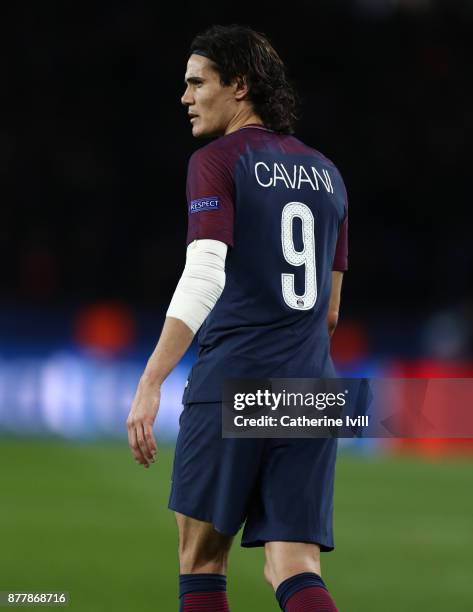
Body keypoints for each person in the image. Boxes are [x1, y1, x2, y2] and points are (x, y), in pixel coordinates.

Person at [127, 24, 348, 612]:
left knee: (202, 562)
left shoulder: (217, 161)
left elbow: (204, 274)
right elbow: (328, 312)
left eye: (197, 83)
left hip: (235, 382)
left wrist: (151, 380)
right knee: (295, 566)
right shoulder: (328, 174)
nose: (186, 96)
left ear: (240, 86)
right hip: (312, 387)